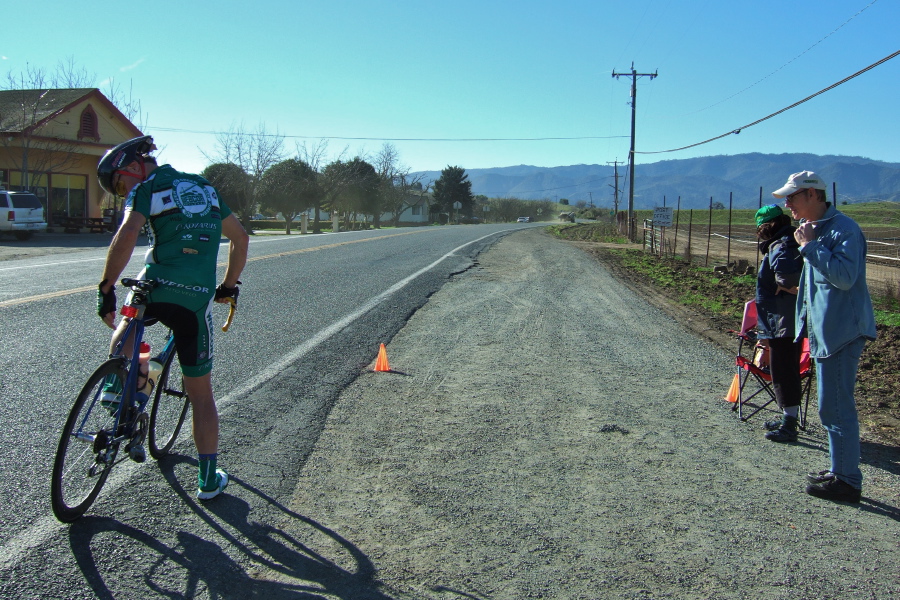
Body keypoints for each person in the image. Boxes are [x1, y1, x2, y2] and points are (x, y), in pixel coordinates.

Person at [96, 135, 249, 501]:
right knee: (201, 395)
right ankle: (208, 481)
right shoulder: (207, 189)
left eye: (120, 183)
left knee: (126, 322)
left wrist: (105, 287)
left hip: (154, 287)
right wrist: (227, 287)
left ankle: (120, 384)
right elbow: (240, 238)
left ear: (133, 166)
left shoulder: (147, 187)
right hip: (195, 299)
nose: (122, 192)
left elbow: (129, 231)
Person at [772, 171, 876, 503]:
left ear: (814, 195)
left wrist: (810, 246)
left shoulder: (842, 230)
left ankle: (847, 480)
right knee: (829, 406)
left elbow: (845, 278)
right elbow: (813, 287)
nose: (787, 204)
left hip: (842, 331)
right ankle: (839, 469)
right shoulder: (815, 230)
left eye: (792, 197)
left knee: (835, 407)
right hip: (825, 330)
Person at [753, 204, 804, 443]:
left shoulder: (780, 246)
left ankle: (789, 425)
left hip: (783, 319)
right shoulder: (791, 241)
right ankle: (788, 418)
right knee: (788, 369)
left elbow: (789, 280)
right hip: (790, 318)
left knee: (783, 371)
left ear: (768, 226)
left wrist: (778, 286)